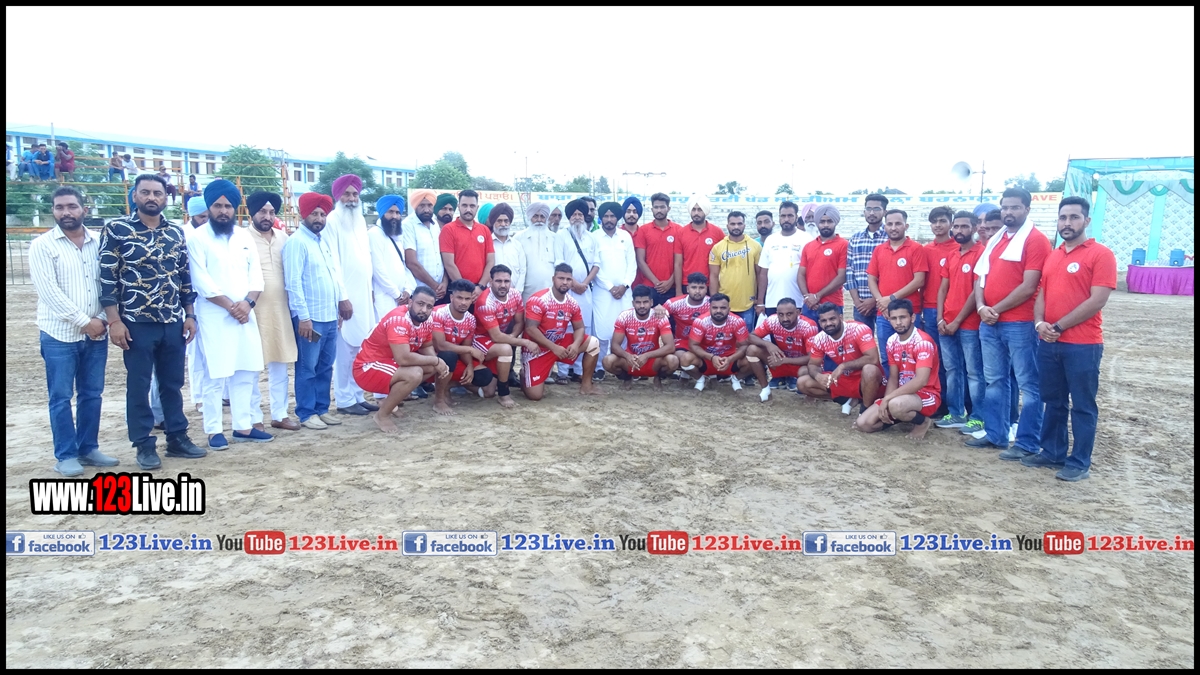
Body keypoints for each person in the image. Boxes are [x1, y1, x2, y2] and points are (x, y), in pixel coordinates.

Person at [99, 173, 205, 469]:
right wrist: (114, 321)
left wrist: (190, 315)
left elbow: (184, 276)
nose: (151, 198)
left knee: (172, 383)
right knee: (139, 384)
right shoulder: (117, 229)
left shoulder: (174, 232)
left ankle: (177, 438)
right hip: (136, 322)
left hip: (172, 320)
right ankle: (144, 444)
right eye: (145, 192)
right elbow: (106, 278)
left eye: (157, 193)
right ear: (135, 196)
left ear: (165, 198)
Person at [30, 186, 118, 476]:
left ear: (84, 209)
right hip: (59, 334)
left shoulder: (100, 242)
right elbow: (49, 293)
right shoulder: (42, 245)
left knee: (92, 393)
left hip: (97, 330)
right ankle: (66, 455)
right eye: (59, 207)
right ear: (53, 211)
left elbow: (110, 282)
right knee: (60, 396)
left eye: (71, 206)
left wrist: (102, 319)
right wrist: (85, 322)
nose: (66, 212)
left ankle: (88, 448)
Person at [1026, 197, 1115, 482]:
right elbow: (1042, 293)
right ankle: (1052, 452)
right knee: (1053, 401)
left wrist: (1059, 326)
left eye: (1074, 217)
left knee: (1083, 405)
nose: (1067, 223)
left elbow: (1097, 300)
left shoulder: (1101, 254)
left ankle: (1079, 462)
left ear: (1086, 221)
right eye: (1063, 217)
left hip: (1083, 344)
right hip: (1050, 341)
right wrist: (1040, 323)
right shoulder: (1054, 255)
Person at [968, 186, 1052, 458]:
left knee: (1028, 384)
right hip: (990, 321)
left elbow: (1029, 286)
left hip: (1020, 323)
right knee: (995, 381)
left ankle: (1028, 443)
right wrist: (981, 307)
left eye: (1015, 207)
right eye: (1005, 207)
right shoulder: (997, 239)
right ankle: (996, 434)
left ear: (1027, 209)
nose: (1008, 212)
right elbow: (981, 277)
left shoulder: (1036, 240)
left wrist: (994, 309)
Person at [189, 180, 271, 447]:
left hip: (246, 313)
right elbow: (200, 280)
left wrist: (248, 303)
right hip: (214, 315)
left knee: (245, 371)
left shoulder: (244, 237)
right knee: (216, 374)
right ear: (209, 207)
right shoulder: (197, 238)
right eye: (217, 206)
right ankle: (214, 430)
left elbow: (256, 275)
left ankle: (243, 427)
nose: (223, 211)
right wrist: (231, 306)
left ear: (235, 208)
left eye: (228, 206)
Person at [284, 191, 349, 430]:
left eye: (322, 214)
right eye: (314, 214)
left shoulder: (322, 241)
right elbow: (293, 283)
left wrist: (339, 306)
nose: (319, 218)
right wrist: (303, 318)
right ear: (304, 215)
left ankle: (322, 409)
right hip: (310, 319)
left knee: (325, 366)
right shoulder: (297, 242)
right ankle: (306, 412)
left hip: (329, 317)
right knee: (307, 367)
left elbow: (332, 276)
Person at [352, 286, 451, 433]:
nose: (424, 310)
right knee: (414, 374)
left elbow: (426, 345)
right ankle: (382, 416)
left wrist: (436, 363)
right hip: (368, 367)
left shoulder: (427, 320)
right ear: (410, 302)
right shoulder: (399, 319)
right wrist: (436, 361)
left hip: (389, 363)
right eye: (420, 304)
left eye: (429, 306)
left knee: (430, 367)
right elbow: (403, 358)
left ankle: (390, 402)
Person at [322, 174, 377, 416]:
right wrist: (342, 298)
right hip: (345, 298)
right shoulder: (332, 221)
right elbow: (333, 263)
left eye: (355, 194)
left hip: (363, 295)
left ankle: (357, 395)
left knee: (360, 348)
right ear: (338, 196)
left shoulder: (360, 221)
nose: (352, 199)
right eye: (347, 194)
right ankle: (344, 400)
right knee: (344, 352)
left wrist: (370, 290)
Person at [246, 190, 300, 432]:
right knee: (252, 367)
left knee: (280, 364)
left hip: (280, 310)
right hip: (252, 311)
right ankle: (253, 417)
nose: (267, 216)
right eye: (262, 211)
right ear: (252, 213)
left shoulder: (284, 238)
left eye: (271, 212)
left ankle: (280, 414)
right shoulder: (241, 238)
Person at [853, 299, 941, 440]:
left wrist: (888, 399)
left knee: (895, 405)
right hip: (901, 395)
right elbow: (894, 378)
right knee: (863, 424)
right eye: (894, 318)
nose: (898, 322)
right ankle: (900, 415)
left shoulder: (923, 342)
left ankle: (923, 422)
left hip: (926, 395)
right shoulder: (892, 341)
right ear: (888, 319)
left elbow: (921, 381)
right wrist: (885, 403)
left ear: (912, 318)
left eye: (902, 317)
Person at [934, 210, 987, 438]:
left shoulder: (981, 253)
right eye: (956, 226)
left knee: (974, 372)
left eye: (964, 226)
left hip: (969, 325)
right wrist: (940, 318)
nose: (959, 230)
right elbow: (942, 289)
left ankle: (978, 416)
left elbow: (976, 292)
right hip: (946, 323)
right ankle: (956, 413)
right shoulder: (952, 254)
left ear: (974, 228)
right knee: (952, 370)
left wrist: (957, 321)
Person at [520, 264, 603, 400]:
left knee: (593, 343)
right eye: (561, 278)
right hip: (537, 350)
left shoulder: (572, 303)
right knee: (535, 396)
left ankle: (586, 386)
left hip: (559, 345)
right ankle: (524, 373)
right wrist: (554, 348)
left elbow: (580, 328)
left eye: (568, 279)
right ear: (553, 279)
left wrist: (575, 344)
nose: (565, 282)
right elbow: (530, 329)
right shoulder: (539, 300)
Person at [867, 208, 928, 368]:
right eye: (890, 224)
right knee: (887, 356)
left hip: (909, 312)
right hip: (884, 313)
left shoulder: (916, 248)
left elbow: (919, 280)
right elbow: (871, 278)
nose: (893, 228)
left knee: (912, 356)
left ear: (906, 226)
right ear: (885, 226)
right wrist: (881, 302)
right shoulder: (879, 250)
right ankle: (891, 385)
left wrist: (891, 299)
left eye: (898, 224)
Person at [796, 302, 883, 414]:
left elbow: (873, 359)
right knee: (802, 383)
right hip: (845, 378)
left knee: (870, 370)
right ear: (820, 323)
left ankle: (865, 410)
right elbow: (813, 364)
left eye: (832, 319)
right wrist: (818, 376)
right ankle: (847, 400)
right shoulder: (819, 339)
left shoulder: (858, 329)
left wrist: (843, 366)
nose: (828, 323)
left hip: (866, 379)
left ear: (840, 317)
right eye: (824, 321)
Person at [473, 264, 536, 409]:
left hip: (500, 339)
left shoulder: (515, 295)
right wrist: (525, 342)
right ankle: (504, 393)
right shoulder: (485, 302)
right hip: (480, 339)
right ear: (490, 282)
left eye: (506, 281)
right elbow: (496, 336)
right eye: (498, 281)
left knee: (488, 392)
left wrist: (512, 337)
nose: (503, 285)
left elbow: (519, 322)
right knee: (506, 349)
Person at [430, 279, 497, 415]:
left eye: (467, 299)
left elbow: (466, 346)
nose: (463, 302)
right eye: (459, 298)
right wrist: (470, 350)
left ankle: (447, 385)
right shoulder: (438, 313)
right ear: (451, 297)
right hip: (432, 359)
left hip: (452, 359)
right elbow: (441, 345)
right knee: (448, 355)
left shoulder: (470, 319)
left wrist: (470, 366)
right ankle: (439, 400)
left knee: (483, 375)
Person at [553, 199, 600, 382]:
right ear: (569, 217)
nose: (578, 217)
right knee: (565, 328)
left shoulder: (591, 237)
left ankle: (579, 370)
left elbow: (596, 264)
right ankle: (563, 371)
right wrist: (573, 283)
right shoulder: (561, 236)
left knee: (583, 327)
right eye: (574, 215)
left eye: (581, 214)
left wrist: (584, 284)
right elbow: (559, 263)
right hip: (566, 291)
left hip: (585, 292)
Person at [591, 201, 637, 369]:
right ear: (601, 218)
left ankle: (624, 365)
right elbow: (595, 266)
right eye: (606, 216)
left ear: (617, 218)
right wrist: (610, 286)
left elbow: (632, 264)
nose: (609, 219)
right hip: (603, 292)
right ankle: (599, 367)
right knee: (601, 330)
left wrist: (624, 285)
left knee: (625, 328)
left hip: (624, 292)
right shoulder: (594, 237)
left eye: (612, 216)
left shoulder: (625, 236)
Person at [603, 285, 678, 388]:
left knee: (673, 361)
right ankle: (627, 378)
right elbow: (614, 346)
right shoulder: (624, 317)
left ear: (651, 302)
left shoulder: (659, 317)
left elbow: (670, 347)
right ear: (633, 303)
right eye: (638, 302)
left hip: (653, 360)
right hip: (631, 360)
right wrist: (627, 356)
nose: (642, 306)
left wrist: (647, 356)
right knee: (607, 361)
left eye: (645, 302)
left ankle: (658, 377)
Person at [688, 293, 763, 393]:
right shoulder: (700, 321)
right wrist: (711, 357)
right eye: (715, 307)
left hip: (730, 360)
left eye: (723, 308)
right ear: (709, 308)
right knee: (686, 358)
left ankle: (736, 379)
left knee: (754, 359)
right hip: (706, 360)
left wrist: (730, 359)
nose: (718, 311)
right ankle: (700, 379)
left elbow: (745, 345)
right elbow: (693, 345)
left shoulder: (737, 321)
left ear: (729, 309)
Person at [748, 297, 818, 397]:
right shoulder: (772, 321)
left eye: (789, 314)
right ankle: (765, 388)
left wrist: (785, 360)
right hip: (780, 361)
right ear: (777, 313)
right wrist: (768, 344)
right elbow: (750, 337)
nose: (785, 319)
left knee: (806, 371)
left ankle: (808, 393)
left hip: (801, 365)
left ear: (798, 312)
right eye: (781, 314)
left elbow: (812, 358)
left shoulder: (808, 326)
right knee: (752, 349)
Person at [756, 200, 813, 319]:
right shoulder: (770, 240)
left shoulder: (807, 239)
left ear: (796, 217)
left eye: (790, 216)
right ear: (779, 217)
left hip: (798, 301)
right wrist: (760, 302)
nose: (786, 219)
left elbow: (811, 271)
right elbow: (763, 273)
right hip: (772, 301)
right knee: (774, 331)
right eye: (783, 216)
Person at [709, 210, 762, 330]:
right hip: (724, 304)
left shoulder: (755, 246)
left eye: (739, 223)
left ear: (744, 225)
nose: (736, 227)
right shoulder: (717, 247)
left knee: (746, 337)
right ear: (727, 226)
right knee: (724, 336)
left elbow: (759, 274)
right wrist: (714, 300)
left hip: (747, 304)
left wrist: (759, 299)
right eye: (733, 224)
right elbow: (713, 275)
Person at [369, 194, 415, 328]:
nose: (395, 216)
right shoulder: (374, 234)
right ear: (382, 213)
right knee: (384, 331)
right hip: (384, 297)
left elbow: (403, 266)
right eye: (390, 212)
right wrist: (397, 295)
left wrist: (408, 290)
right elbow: (378, 270)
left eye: (398, 213)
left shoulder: (397, 237)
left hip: (400, 298)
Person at [440, 189, 495, 297]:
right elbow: (449, 264)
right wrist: (465, 290)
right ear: (458, 206)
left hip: (480, 291)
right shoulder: (448, 229)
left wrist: (481, 287)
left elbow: (491, 261)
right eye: (464, 205)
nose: (468, 209)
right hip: (458, 291)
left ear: (477, 208)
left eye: (472, 206)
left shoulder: (484, 230)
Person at [797, 204, 848, 321]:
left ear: (835, 222)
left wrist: (817, 296)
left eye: (829, 221)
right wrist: (807, 297)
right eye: (822, 221)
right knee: (809, 333)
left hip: (833, 304)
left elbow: (842, 276)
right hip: (809, 305)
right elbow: (800, 274)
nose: (825, 225)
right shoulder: (808, 246)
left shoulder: (843, 245)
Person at [846, 194, 890, 326]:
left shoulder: (891, 237)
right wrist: (856, 301)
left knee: (887, 337)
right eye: (868, 209)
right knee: (861, 337)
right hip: (860, 304)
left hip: (885, 302)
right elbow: (849, 271)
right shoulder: (855, 239)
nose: (871, 213)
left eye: (876, 209)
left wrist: (875, 300)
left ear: (885, 212)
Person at [633, 192, 683, 307]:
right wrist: (656, 282)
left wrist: (670, 282)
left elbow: (680, 261)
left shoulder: (679, 230)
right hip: (650, 286)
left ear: (668, 208)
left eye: (662, 207)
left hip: (672, 287)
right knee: (650, 318)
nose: (659, 210)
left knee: (670, 318)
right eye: (656, 207)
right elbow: (640, 260)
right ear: (652, 209)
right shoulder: (643, 230)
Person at [402, 188, 447, 306]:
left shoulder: (435, 225)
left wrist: (444, 283)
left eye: (429, 205)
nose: (426, 209)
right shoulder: (408, 225)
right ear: (415, 206)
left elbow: (442, 257)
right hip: (419, 293)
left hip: (439, 292)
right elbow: (411, 263)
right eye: (422, 205)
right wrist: (435, 286)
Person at [664, 272, 711, 379]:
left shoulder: (712, 304)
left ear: (706, 289)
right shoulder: (675, 303)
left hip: (706, 342)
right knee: (679, 358)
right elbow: (657, 315)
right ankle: (700, 378)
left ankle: (706, 374)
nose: (697, 291)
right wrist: (658, 308)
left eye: (701, 288)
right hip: (683, 341)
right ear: (688, 288)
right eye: (694, 287)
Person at [678, 195, 724, 292]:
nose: (696, 213)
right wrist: (678, 290)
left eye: (700, 210)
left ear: (705, 211)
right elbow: (678, 263)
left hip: (711, 283)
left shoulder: (717, 232)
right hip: (688, 283)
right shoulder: (681, 233)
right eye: (693, 209)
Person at [516, 201, 556, 299]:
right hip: (526, 291)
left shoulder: (555, 238)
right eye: (535, 216)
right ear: (530, 217)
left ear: (547, 218)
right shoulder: (519, 238)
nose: (539, 220)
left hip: (551, 291)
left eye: (542, 217)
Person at [488, 203, 526, 295]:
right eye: (499, 221)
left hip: (514, 294)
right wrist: (489, 291)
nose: (503, 224)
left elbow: (522, 270)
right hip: (491, 294)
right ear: (493, 222)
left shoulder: (517, 245)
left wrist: (517, 292)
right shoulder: (487, 243)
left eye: (506, 221)